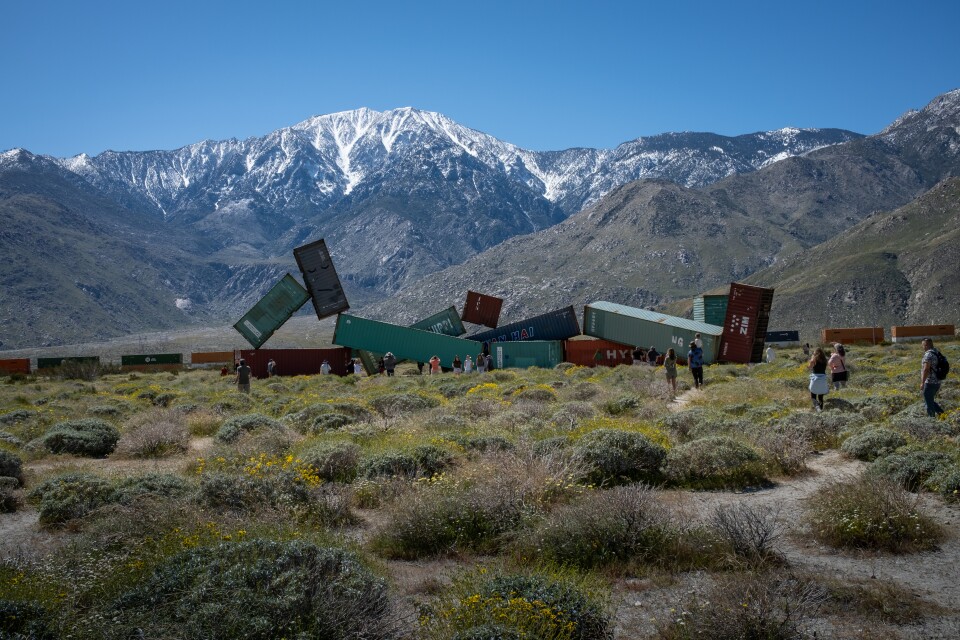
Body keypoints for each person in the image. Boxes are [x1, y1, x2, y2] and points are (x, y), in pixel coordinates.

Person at [921, 338, 945, 417]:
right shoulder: (936, 352)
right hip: (937, 381)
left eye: (923, 345)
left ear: (926, 345)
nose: (923, 347)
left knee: (928, 403)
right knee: (929, 400)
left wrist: (922, 382)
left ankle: (931, 420)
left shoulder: (928, 355)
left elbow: (926, 369)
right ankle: (942, 415)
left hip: (930, 382)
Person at [808, 347, 829, 412]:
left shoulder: (813, 360)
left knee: (813, 396)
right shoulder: (825, 360)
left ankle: (817, 408)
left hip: (815, 379)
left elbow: (809, 367)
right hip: (823, 379)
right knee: (821, 397)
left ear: (815, 353)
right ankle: (821, 410)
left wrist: (811, 360)